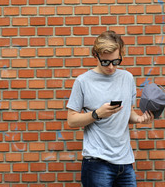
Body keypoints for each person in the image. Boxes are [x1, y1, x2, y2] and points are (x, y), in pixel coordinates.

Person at [66, 30, 154, 187]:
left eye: (116, 61)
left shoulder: (127, 78)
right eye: (106, 62)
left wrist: (140, 119)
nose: (111, 67)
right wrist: (97, 114)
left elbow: (129, 112)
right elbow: (71, 120)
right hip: (97, 163)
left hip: (125, 162)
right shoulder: (83, 81)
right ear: (96, 56)